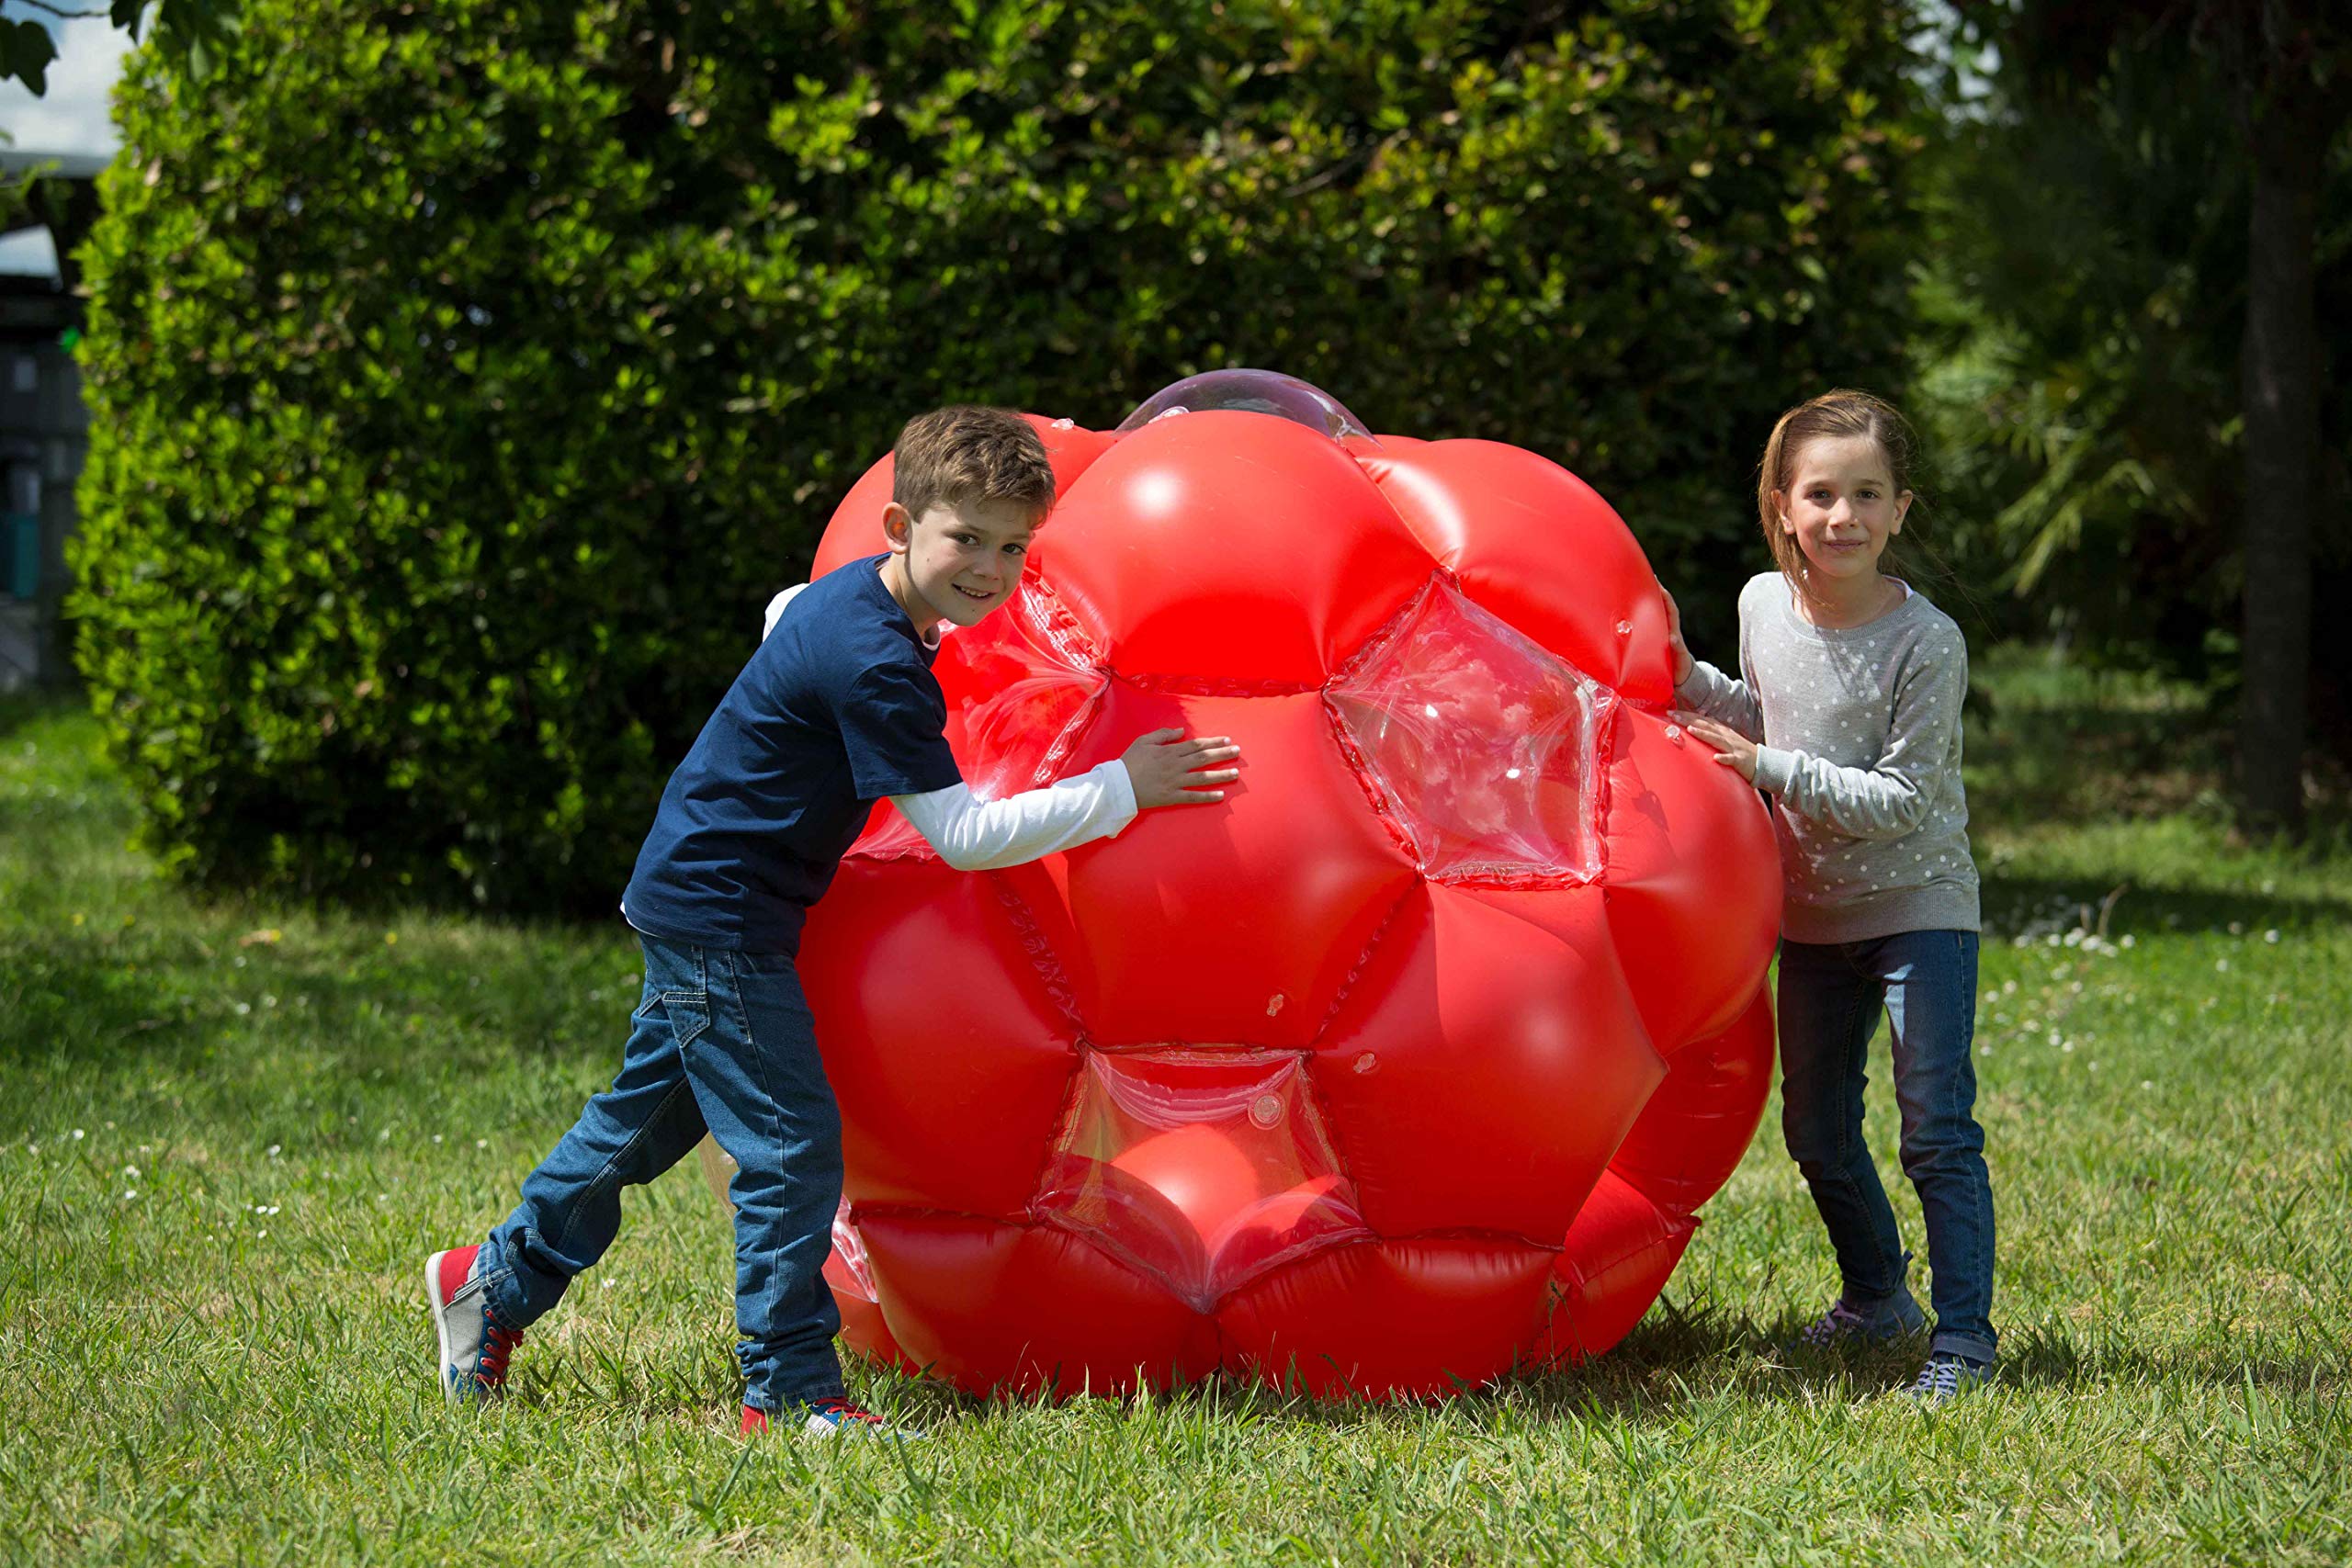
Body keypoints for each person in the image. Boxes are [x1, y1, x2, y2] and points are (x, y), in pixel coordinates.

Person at [424, 406, 1243, 1438]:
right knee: (788, 1151)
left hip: (699, 898)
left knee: (643, 1124)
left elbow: (780, 614)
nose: (989, 568)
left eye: (1011, 545)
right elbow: (964, 835)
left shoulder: (848, 601)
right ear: (900, 525)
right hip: (722, 917)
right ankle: (791, 1394)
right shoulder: (876, 661)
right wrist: (1122, 786)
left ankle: (487, 1285)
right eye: (966, 539)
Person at [1667, 389, 1996, 1404]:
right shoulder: (1762, 602)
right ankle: (1874, 1300)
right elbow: (1761, 713)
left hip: (1918, 912)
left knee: (1934, 1127)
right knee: (1813, 1128)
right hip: (1808, 917)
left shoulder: (1925, 642)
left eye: (1866, 494)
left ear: (1902, 509)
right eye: (1820, 493)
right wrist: (1678, 674)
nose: (1841, 515)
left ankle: (1966, 1344)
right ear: (1780, 503)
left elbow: (1900, 800)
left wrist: (1765, 766)